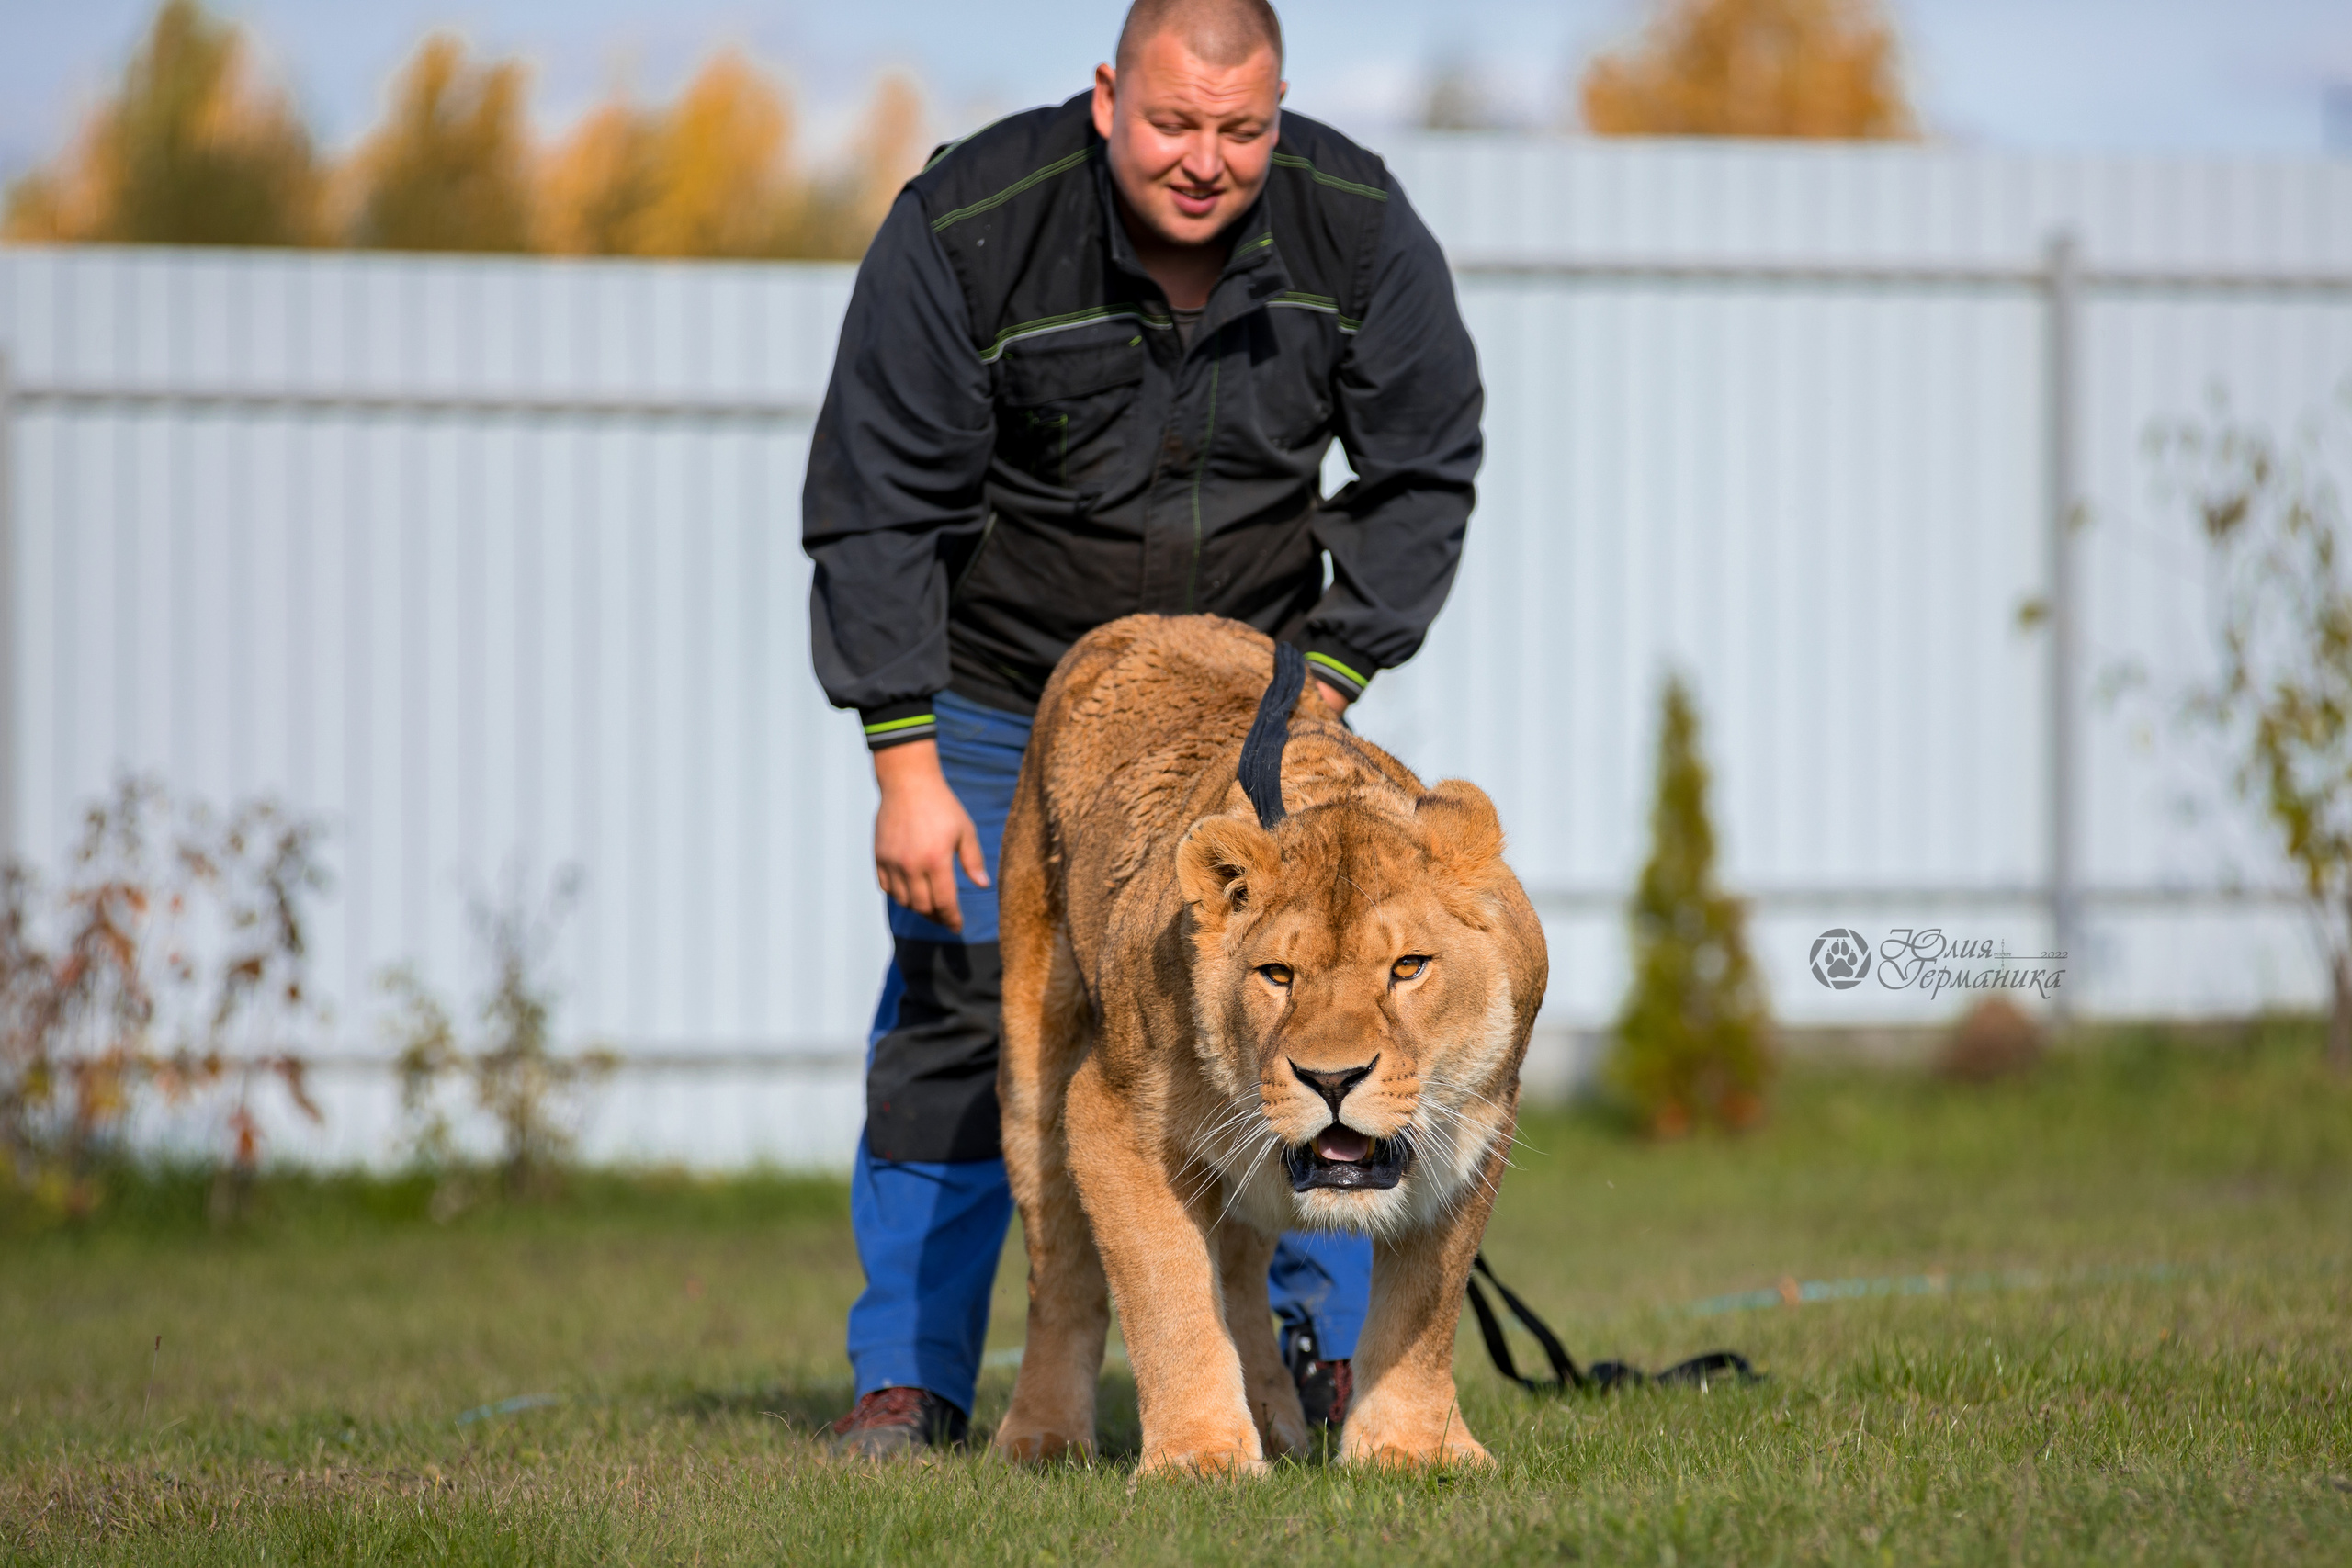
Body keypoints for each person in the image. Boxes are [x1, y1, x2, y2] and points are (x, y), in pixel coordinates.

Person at [802, 0, 1484, 1458]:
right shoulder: (971, 222)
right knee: (954, 1003)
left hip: (1254, 709)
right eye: (1174, 123)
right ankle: (911, 1377)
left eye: (1243, 132)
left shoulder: (1355, 224)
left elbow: (1426, 466)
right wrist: (904, 765)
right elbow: (876, 497)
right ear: (1108, 95)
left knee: (1290, 1013)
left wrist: (1334, 682)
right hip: (993, 688)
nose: (1205, 160)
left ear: (1281, 111)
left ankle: (1286, 1354)